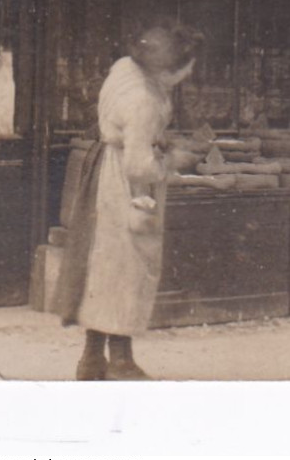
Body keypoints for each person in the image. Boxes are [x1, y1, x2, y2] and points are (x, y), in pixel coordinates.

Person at [53, 19, 203, 380]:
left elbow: (123, 131)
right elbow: (139, 166)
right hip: (128, 189)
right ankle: (120, 360)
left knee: (104, 268)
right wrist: (173, 161)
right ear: (169, 68)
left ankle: (92, 357)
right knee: (129, 268)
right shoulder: (145, 100)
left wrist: (154, 141)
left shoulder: (124, 70)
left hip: (105, 176)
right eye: (187, 65)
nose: (190, 72)